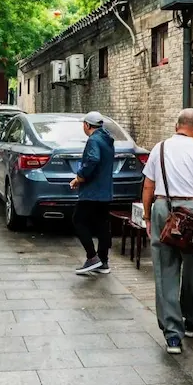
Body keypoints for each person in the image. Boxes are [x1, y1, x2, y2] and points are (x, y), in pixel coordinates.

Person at [141, 108, 193, 355]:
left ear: (177, 126)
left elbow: (148, 186)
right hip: (192, 212)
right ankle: (192, 320)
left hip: (163, 208)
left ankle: (172, 335)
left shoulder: (159, 148)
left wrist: (147, 216)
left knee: (165, 272)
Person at [69, 112, 115, 276]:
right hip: (105, 191)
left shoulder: (94, 140)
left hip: (92, 191)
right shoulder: (107, 139)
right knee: (102, 225)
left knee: (78, 220)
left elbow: (93, 160)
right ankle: (103, 261)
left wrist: (80, 177)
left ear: (87, 125)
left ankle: (92, 257)